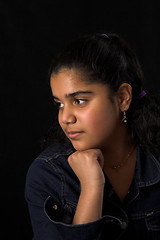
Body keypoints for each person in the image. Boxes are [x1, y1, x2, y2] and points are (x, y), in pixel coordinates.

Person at [25, 33, 160, 240]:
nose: (65, 118)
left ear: (123, 97)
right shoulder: (49, 174)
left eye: (79, 101)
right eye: (59, 104)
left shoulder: (154, 155)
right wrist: (91, 187)